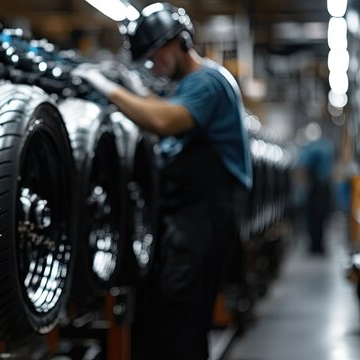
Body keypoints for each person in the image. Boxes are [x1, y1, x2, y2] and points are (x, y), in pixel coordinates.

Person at [74, 3, 252, 359]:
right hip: (187, 221)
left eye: (157, 54)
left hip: (204, 219)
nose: (154, 64)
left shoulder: (208, 82)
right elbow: (159, 111)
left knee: (182, 323)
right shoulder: (186, 86)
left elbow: (163, 121)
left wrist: (111, 90)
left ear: (180, 42)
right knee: (164, 319)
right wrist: (134, 89)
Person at [298, 122, 334, 254]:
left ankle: (314, 245)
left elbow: (303, 167)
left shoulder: (309, 148)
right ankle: (320, 244)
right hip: (325, 187)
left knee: (313, 218)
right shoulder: (327, 146)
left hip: (314, 188)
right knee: (322, 217)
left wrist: (303, 188)